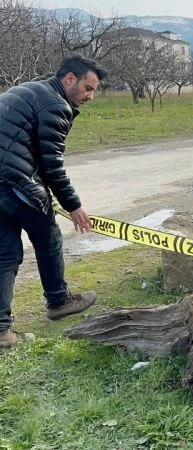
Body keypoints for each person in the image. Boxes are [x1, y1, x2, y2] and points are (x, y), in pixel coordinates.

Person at [0, 55, 108, 349]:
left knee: (5, 254)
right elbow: (52, 166)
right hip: (18, 184)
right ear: (69, 79)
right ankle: (59, 301)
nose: (90, 96)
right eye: (88, 88)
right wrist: (74, 206)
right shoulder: (55, 104)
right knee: (49, 240)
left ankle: (1, 331)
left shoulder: (29, 90)